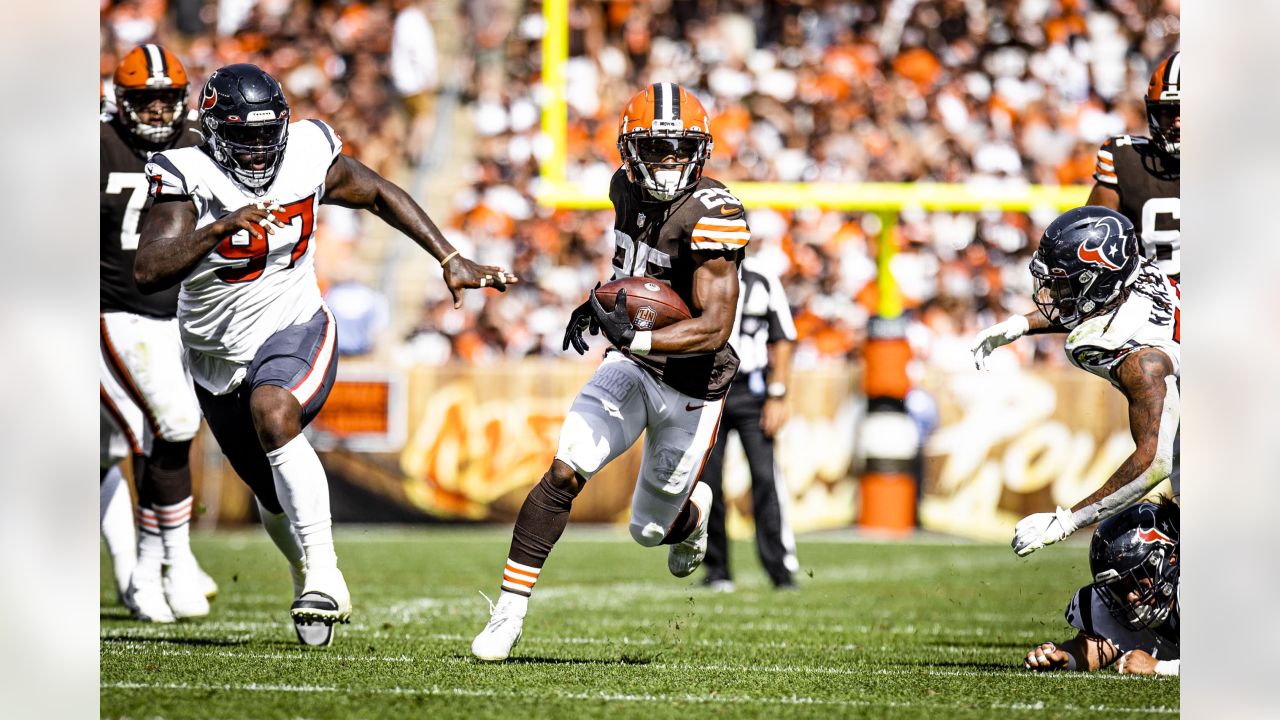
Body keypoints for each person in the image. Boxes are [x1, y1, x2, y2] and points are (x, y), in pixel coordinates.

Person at [135, 64, 516, 646]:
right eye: (245, 136)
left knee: (274, 409)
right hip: (214, 354)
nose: (261, 149)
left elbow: (378, 191)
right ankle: (304, 574)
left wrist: (448, 256)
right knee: (270, 495)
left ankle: (325, 571)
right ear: (212, 132)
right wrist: (218, 228)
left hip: (295, 323)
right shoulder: (187, 173)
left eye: (269, 134)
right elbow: (149, 268)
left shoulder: (307, 152)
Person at [470, 83, 746, 661]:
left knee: (648, 530)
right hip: (630, 366)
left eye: (679, 149)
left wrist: (639, 333)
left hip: (694, 385)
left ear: (700, 151)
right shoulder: (623, 187)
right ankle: (508, 614)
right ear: (629, 148)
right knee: (566, 469)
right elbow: (635, 275)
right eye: (655, 147)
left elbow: (715, 326)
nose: (668, 161)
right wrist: (599, 303)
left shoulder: (715, 213)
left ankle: (692, 512)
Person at [970, 206, 1179, 556]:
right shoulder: (1135, 275)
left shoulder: (1143, 362)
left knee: (1133, 560)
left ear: (1095, 280)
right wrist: (1020, 325)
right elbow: (1087, 308)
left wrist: (1065, 522)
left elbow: (1154, 460)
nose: (1053, 293)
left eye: (1063, 283)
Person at [100, 44, 217, 623]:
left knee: (121, 449)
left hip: (176, 318)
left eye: (166, 97)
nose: (155, 110)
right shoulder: (94, 145)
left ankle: (147, 569)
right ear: (120, 99)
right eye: (144, 99)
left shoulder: (196, 144)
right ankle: (169, 561)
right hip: (107, 314)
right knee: (169, 426)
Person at [700, 255, 798, 591]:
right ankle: (716, 570)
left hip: (752, 390)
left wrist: (778, 393)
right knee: (707, 482)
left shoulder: (761, 274)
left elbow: (783, 336)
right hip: (706, 389)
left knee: (765, 478)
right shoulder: (696, 272)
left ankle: (780, 570)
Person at [1023, 498, 1179, 676]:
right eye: (1118, 587)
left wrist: (1160, 667)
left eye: (1134, 580)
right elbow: (1100, 646)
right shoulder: (1118, 602)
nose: (1129, 598)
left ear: (1170, 559)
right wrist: (1066, 657)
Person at [1087, 51, 1180, 281]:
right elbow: (1089, 244)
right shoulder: (1126, 160)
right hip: (1148, 308)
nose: (1178, 122)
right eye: (1169, 112)